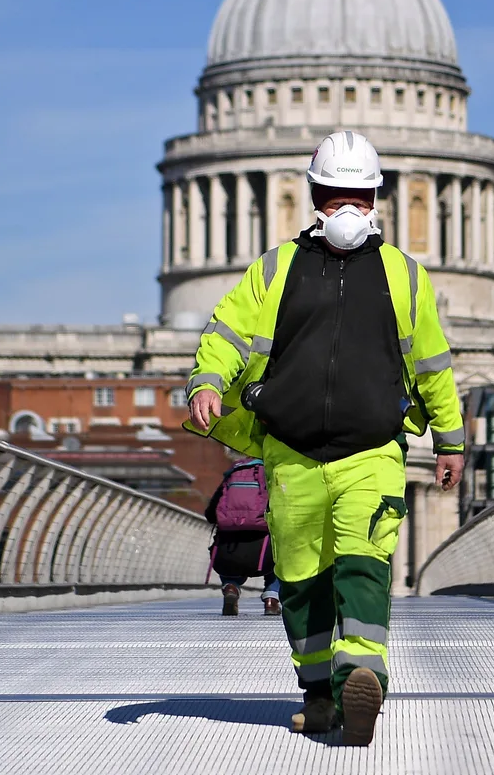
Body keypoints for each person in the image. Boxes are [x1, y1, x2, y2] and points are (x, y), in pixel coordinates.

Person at [182, 130, 464, 747]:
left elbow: (434, 366)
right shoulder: (276, 269)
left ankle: (362, 671)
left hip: (371, 450)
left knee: (365, 563)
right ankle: (319, 694)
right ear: (313, 195)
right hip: (293, 452)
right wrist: (206, 380)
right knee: (302, 580)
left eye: (358, 196)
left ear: (377, 198)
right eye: (335, 195)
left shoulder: (405, 277)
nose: (346, 209)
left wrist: (450, 440)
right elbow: (227, 330)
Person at [205, 456, 281, 616]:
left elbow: (211, 513)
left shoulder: (234, 472)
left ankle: (231, 587)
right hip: (263, 544)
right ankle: (271, 598)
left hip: (230, 545)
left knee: (226, 560)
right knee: (279, 557)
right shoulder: (273, 473)